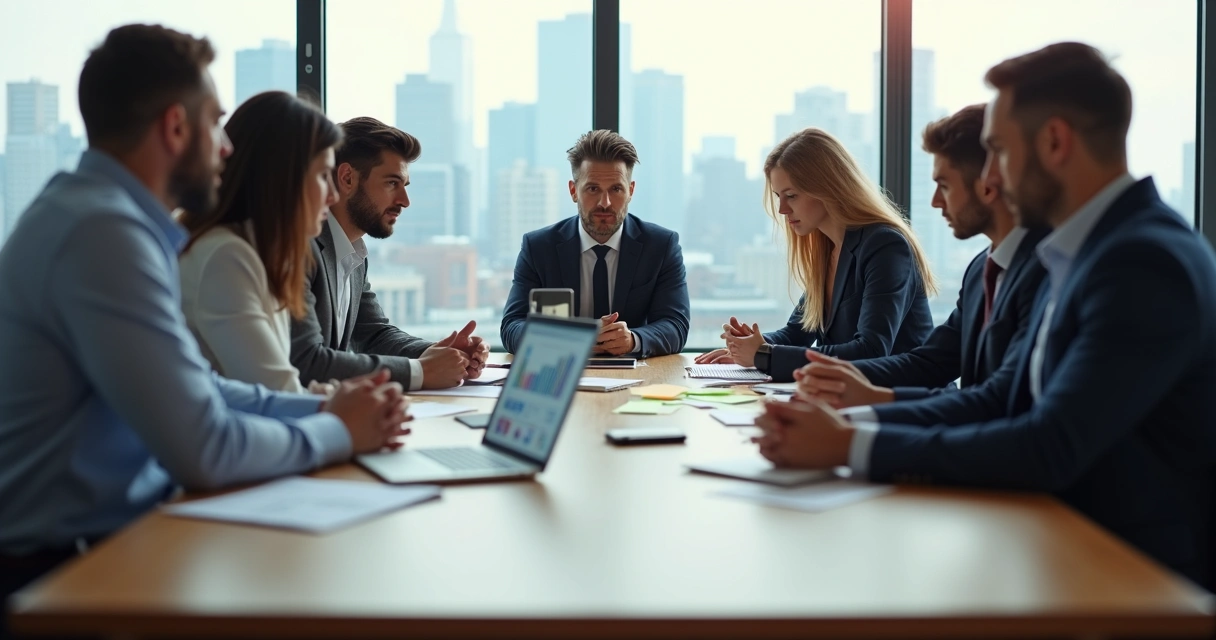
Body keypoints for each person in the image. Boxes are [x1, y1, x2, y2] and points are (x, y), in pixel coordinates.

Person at [754, 42, 1216, 588]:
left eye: (996, 149)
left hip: (1131, 572)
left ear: (1054, 142)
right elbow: (1003, 396)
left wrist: (850, 444)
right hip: (1062, 538)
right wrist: (853, 421)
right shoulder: (1085, 251)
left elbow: (1049, 443)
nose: (989, 175)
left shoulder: (1140, 261)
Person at [0, 24, 409, 629]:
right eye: (215, 122)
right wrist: (340, 435)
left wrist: (323, 414)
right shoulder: (102, 236)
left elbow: (203, 391)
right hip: (65, 574)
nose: (225, 146)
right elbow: (205, 448)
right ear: (174, 127)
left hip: (113, 543)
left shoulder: (106, 220)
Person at [796, 104, 1047, 415]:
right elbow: (931, 361)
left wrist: (868, 415)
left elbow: (999, 401)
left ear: (989, 181)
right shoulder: (982, 269)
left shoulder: (1047, 272)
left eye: (944, 185)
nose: (935, 201)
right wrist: (840, 378)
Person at [696, 128, 936, 382]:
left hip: (903, 401)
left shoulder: (884, 246)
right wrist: (751, 347)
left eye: (791, 196)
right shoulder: (828, 250)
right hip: (848, 398)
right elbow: (796, 333)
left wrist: (765, 355)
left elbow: (871, 351)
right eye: (778, 197)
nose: (782, 209)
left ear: (828, 188)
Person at [289, 117, 489, 391]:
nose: (404, 201)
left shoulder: (354, 254)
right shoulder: (301, 247)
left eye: (405, 185)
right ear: (347, 178)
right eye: (392, 183)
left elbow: (374, 335)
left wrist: (439, 353)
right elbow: (307, 362)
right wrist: (420, 371)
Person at [179, 91, 343, 393]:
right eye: (322, 175)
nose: (333, 196)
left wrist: (319, 399)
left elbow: (278, 392)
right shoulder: (225, 256)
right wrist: (329, 404)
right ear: (282, 180)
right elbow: (276, 394)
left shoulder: (262, 253)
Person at [499, 130, 690, 356]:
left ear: (630, 191)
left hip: (636, 376)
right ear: (573, 191)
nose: (605, 203)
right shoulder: (539, 247)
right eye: (593, 189)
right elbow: (512, 327)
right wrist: (575, 338)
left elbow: (675, 325)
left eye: (616, 189)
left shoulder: (661, 246)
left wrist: (634, 340)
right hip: (559, 371)